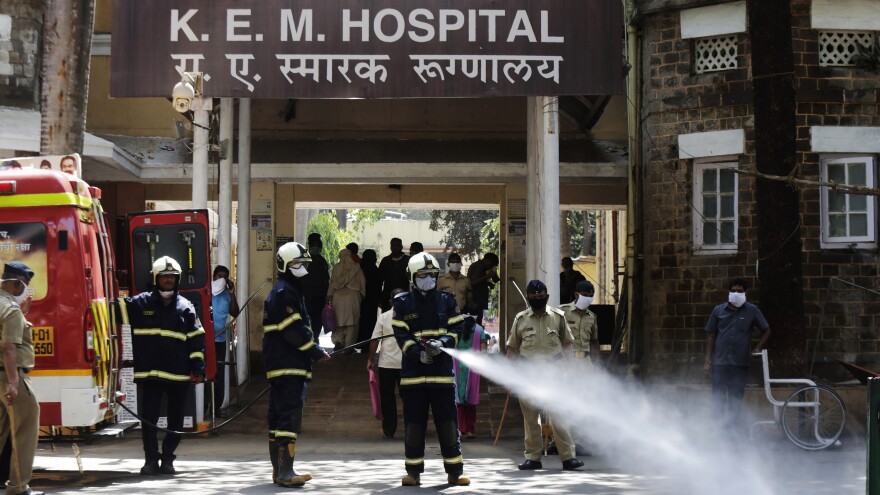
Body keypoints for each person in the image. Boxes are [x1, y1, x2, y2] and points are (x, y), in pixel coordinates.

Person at [117, 256, 206, 476]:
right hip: (151, 375)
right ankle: (150, 461)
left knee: (176, 421)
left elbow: (196, 340)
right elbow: (111, 309)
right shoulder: (140, 304)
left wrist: (198, 368)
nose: (168, 280)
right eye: (164, 276)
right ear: (156, 279)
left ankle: (167, 459)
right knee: (148, 420)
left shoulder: (186, 307)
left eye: (172, 277)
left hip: (178, 375)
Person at [392, 253, 469, 486]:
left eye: (432, 275)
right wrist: (418, 354)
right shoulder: (402, 303)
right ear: (412, 277)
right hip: (413, 378)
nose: (428, 279)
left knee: (448, 425)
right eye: (422, 275)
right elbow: (401, 335)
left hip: (442, 376)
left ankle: (455, 471)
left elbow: (457, 328)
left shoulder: (447, 300)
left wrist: (442, 344)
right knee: (414, 426)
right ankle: (413, 473)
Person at [263, 242, 330, 487]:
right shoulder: (285, 292)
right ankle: (286, 473)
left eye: (303, 264)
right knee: (288, 418)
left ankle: (279, 471)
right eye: (296, 264)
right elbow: (293, 331)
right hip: (287, 365)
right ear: (284, 265)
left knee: (278, 417)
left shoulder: (289, 289)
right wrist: (314, 351)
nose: (302, 268)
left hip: (284, 365)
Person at [506, 279, 584, 472]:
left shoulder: (558, 317)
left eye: (541, 296)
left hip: (555, 374)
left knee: (559, 416)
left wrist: (571, 371)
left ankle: (568, 458)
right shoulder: (521, 319)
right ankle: (533, 458)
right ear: (528, 297)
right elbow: (512, 350)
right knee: (531, 418)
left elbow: (567, 344)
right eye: (534, 296)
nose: (538, 298)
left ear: (547, 296)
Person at [704, 278, 771, 430]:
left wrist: (758, 347)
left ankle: (732, 430)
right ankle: (717, 430)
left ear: (745, 292)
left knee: (735, 398)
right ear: (729, 292)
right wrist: (708, 360)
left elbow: (766, 329)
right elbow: (711, 335)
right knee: (718, 398)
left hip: (739, 363)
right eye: (733, 290)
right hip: (720, 363)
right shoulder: (718, 310)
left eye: (740, 291)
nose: (736, 293)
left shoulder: (752, 310)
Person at [0, 262, 42, 495]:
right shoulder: (10, 310)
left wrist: (22, 314)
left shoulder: (8, 306)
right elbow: (8, 348)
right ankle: (18, 487)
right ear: (16, 284)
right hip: (10, 378)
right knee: (24, 433)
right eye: (25, 285)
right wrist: (14, 383)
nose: (26, 290)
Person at [559, 280, 598, 456]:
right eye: (586, 295)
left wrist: (597, 366)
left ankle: (580, 441)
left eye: (591, 296)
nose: (588, 299)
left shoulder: (592, 317)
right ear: (576, 295)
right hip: (568, 362)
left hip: (585, 363)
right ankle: (560, 441)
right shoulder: (563, 312)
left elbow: (595, 342)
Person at [366, 289, 405, 439]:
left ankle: (389, 430)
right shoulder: (410, 316)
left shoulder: (384, 317)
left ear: (390, 302)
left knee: (387, 398)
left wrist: (370, 360)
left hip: (387, 364)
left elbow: (375, 340)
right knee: (408, 397)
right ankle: (413, 427)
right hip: (405, 364)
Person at [454, 302, 488, 439]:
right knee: (470, 401)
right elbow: (484, 353)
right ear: (477, 315)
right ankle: (470, 430)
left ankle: (461, 429)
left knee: (459, 401)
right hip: (473, 369)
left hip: (457, 367)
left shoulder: (456, 328)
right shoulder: (479, 330)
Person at [210, 265, 239, 418]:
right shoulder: (207, 291)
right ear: (213, 277)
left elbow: (235, 312)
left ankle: (217, 407)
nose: (220, 279)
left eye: (224, 277)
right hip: (205, 339)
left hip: (220, 340)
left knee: (218, 373)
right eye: (218, 276)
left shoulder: (227, 296)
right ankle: (205, 405)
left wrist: (232, 293)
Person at [327, 249, 365, 352]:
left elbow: (332, 283)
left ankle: (338, 342)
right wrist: (361, 295)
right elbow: (363, 283)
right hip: (353, 298)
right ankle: (349, 346)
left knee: (338, 323)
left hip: (338, 298)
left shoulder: (336, 268)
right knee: (351, 324)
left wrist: (329, 296)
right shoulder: (357, 267)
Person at [299, 237, 329, 336]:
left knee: (314, 320)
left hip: (313, 297)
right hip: (310, 297)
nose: (316, 248)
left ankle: (313, 339)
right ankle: (312, 339)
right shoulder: (308, 260)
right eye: (314, 246)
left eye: (317, 246)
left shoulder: (306, 260)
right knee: (311, 320)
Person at [358, 249, 382, 351]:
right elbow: (379, 285)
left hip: (360, 300)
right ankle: (367, 345)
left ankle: (358, 343)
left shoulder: (359, 269)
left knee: (360, 321)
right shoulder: (376, 271)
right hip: (372, 301)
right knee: (371, 322)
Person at [467, 252, 499, 324]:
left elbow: (494, 280)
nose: (490, 267)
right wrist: (487, 276)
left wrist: (488, 283)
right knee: (475, 324)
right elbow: (472, 282)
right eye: (491, 265)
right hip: (474, 300)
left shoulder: (483, 268)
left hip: (479, 300)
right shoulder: (478, 266)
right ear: (488, 261)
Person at [378, 238, 409, 312]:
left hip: (405, 297)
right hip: (387, 297)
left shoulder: (408, 260)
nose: (395, 247)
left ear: (401, 246)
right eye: (393, 245)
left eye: (397, 245)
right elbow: (379, 280)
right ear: (390, 247)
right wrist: (379, 298)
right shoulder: (385, 261)